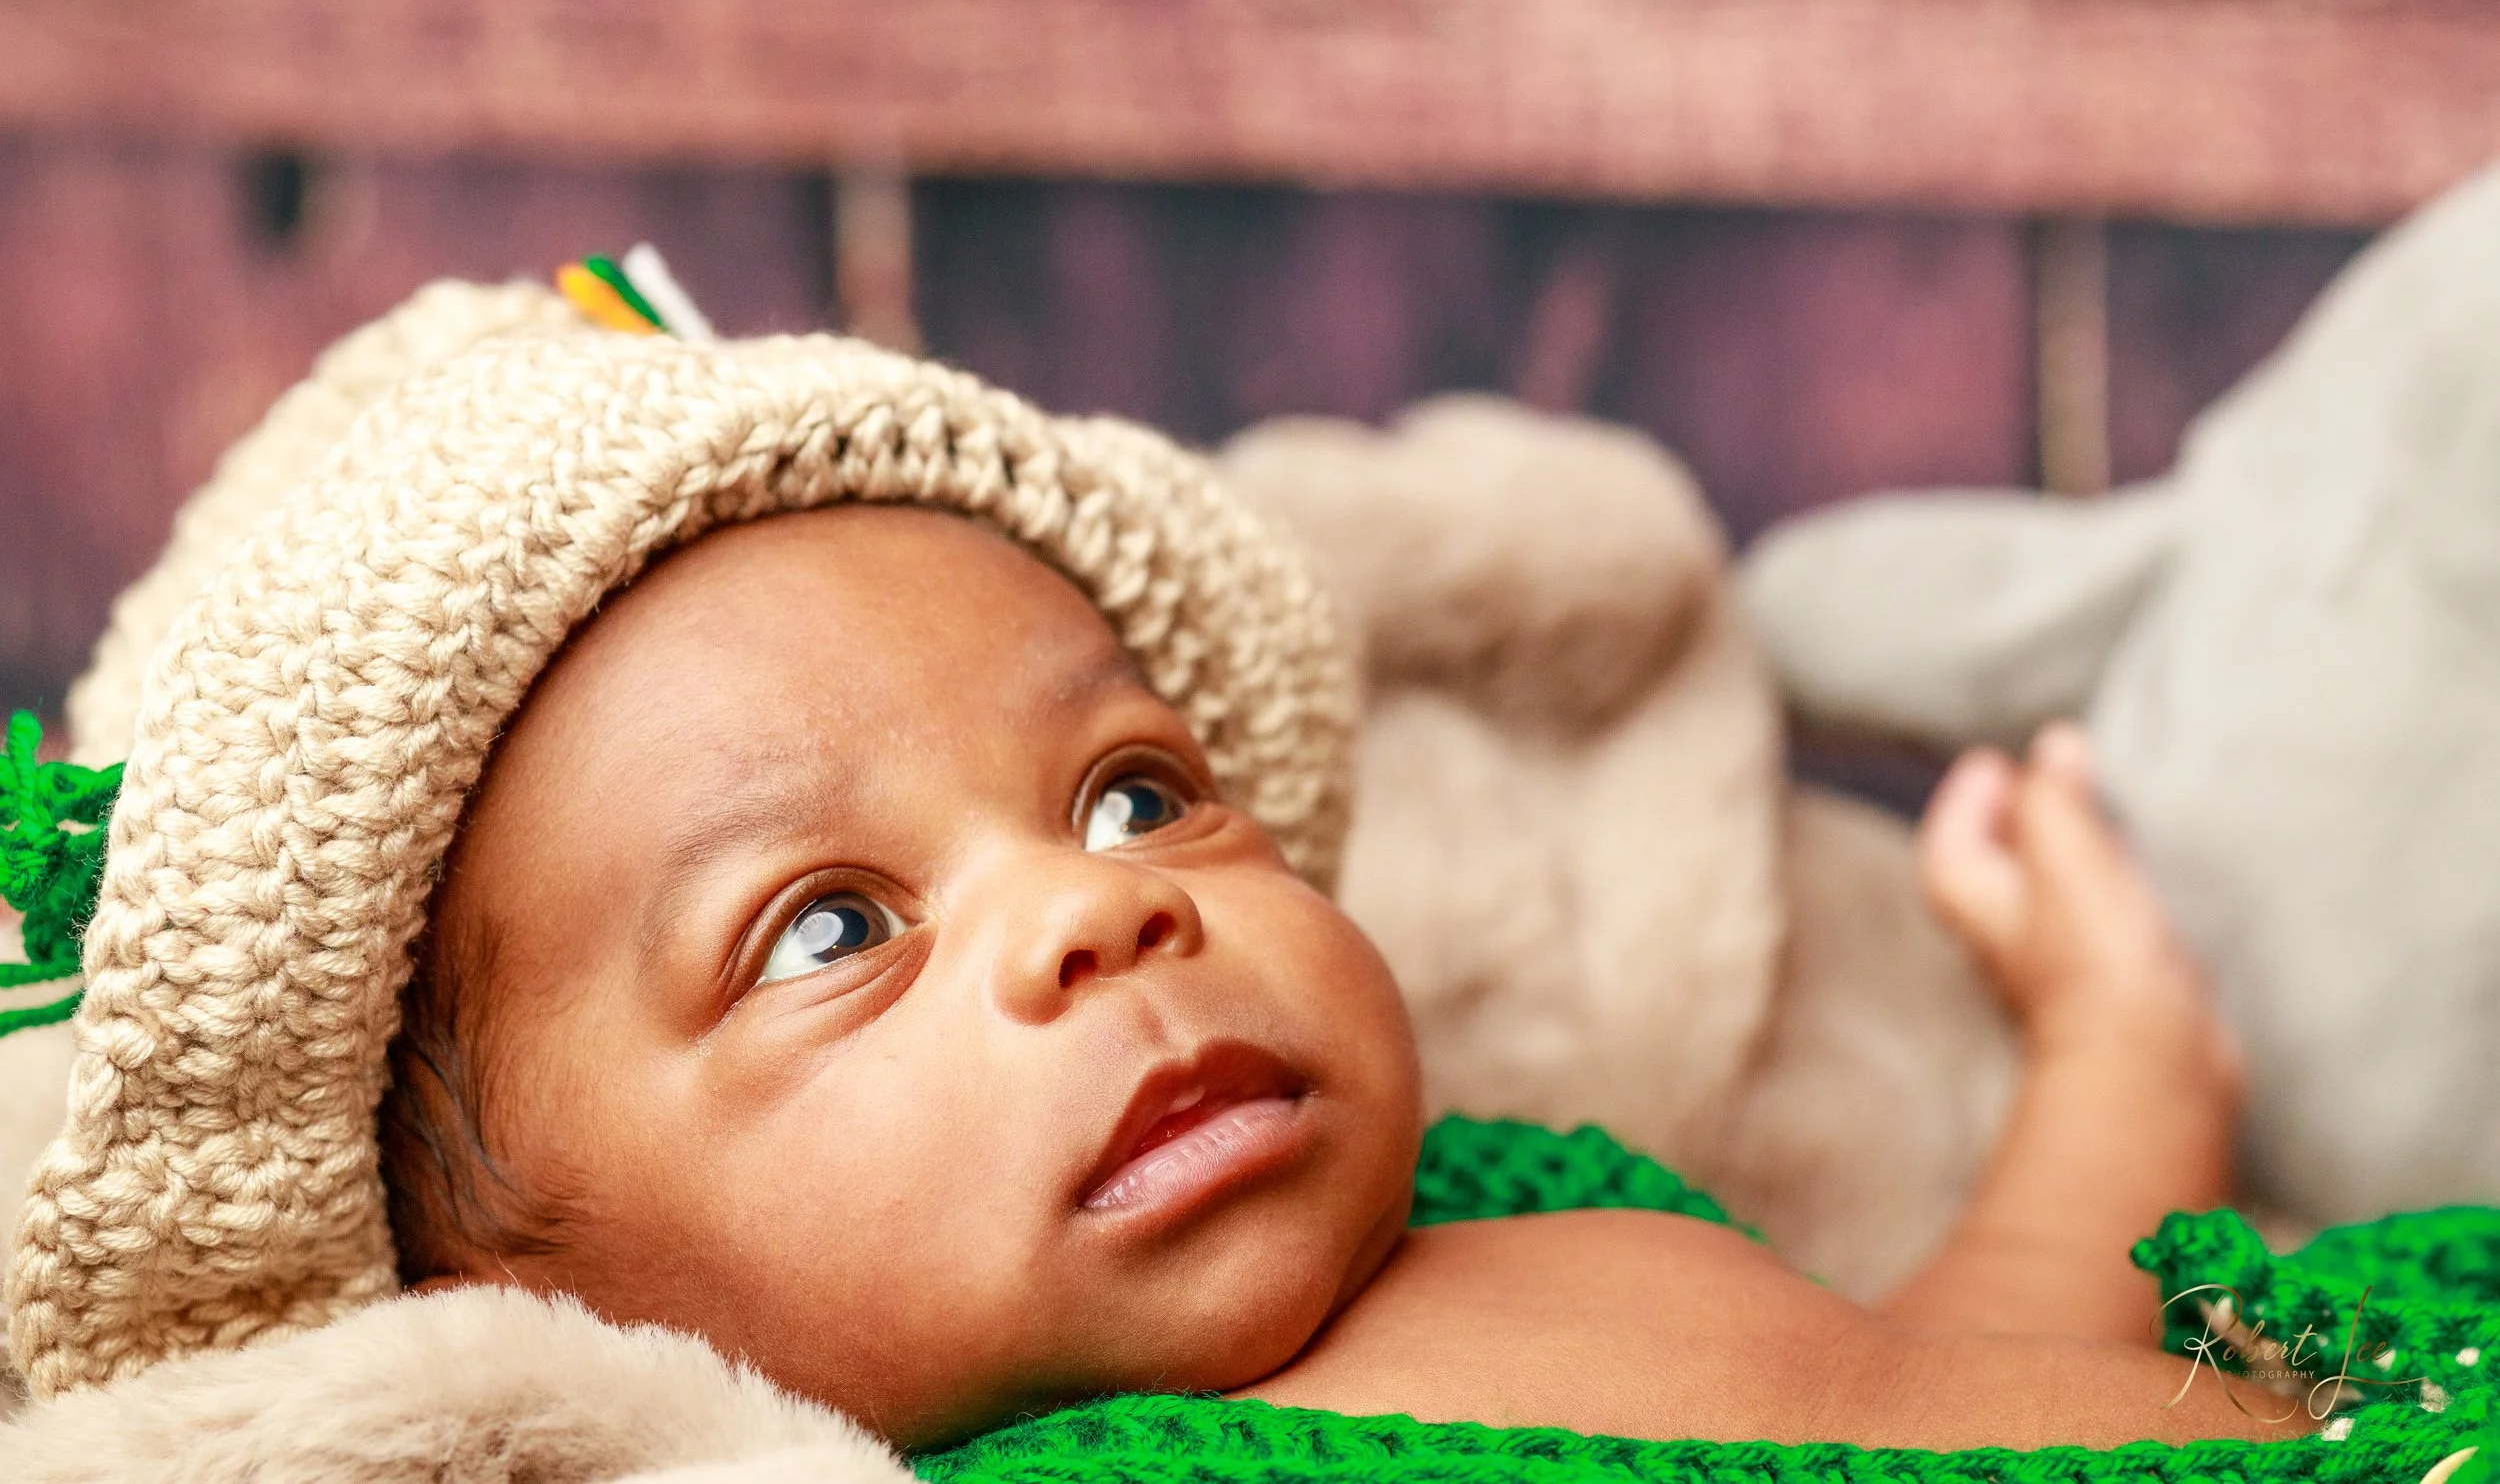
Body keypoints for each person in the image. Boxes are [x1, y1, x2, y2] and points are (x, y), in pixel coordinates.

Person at [3, 298, 2301, 1462]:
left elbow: (1952, 1364)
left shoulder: (1516, 1201)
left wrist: (2116, 1042)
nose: (1098, 905)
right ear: (517, 1286)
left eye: (1129, 790)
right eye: (830, 926)